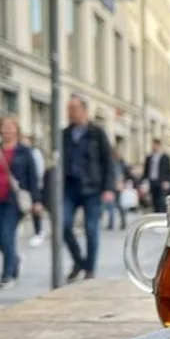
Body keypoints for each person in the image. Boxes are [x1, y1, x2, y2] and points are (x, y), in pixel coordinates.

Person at [0, 116, 42, 289]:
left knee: (7, 234)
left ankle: (7, 275)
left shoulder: (25, 151)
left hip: (14, 201)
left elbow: (33, 177)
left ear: (17, 130)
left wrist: (37, 200)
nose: (7, 130)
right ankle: (14, 259)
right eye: (4, 126)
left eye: (11, 127)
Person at [61, 95, 115, 282]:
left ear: (84, 111)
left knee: (91, 230)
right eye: (68, 109)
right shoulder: (65, 134)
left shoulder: (96, 133)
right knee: (63, 224)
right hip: (69, 187)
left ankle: (89, 269)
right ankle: (79, 261)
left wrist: (109, 188)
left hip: (92, 188)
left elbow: (108, 161)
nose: (70, 113)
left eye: (74, 109)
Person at [23, 135, 46, 247]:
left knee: (35, 209)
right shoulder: (21, 153)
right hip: (23, 188)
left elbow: (39, 170)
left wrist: (38, 185)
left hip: (34, 186)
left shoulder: (35, 153)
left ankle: (39, 230)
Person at [144, 138, 170, 213]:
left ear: (159, 145)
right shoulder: (149, 157)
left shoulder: (165, 157)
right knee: (154, 201)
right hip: (152, 181)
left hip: (162, 182)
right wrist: (144, 181)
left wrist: (168, 181)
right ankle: (156, 214)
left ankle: (162, 215)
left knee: (161, 201)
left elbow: (169, 170)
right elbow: (146, 170)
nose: (153, 147)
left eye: (155, 145)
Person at [105, 149, 131, 231]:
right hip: (113, 187)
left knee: (119, 205)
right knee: (112, 206)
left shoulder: (121, 164)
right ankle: (112, 224)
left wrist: (123, 182)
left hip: (118, 187)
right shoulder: (113, 164)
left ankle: (120, 223)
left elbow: (127, 175)